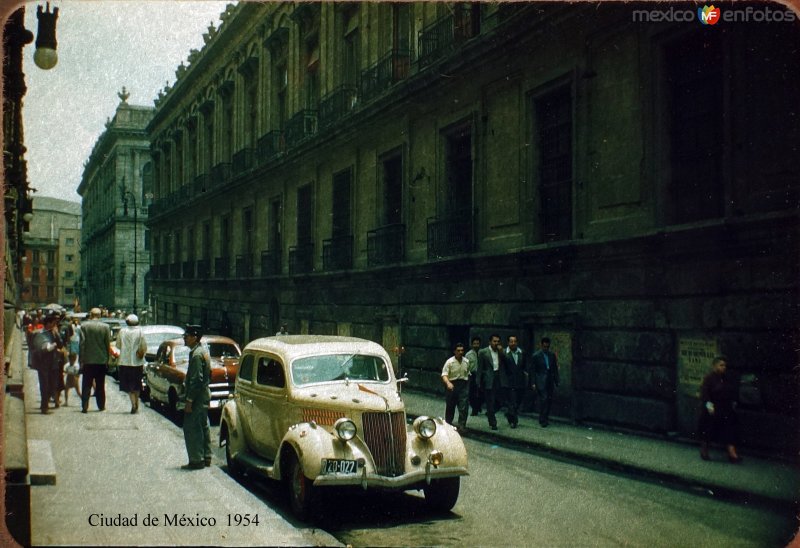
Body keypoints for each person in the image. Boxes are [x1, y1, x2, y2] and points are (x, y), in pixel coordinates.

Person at [698, 356, 741, 463]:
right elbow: (705, 393)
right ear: (715, 366)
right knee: (708, 430)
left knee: (729, 430)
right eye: (721, 365)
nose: (724, 367)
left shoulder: (726, 378)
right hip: (713, 409)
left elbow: (731, 391)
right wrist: (709, 406)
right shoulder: (709, 378)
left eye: (725, 365)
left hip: (725, 408)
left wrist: (733, 402)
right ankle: (704, 450)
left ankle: (732, 453)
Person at [182, 324, 212, 470]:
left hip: (197, 397)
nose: (184, 339)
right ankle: (206, 456)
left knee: (192, 427)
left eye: (186, 336)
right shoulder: (202, 351)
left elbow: (196, 380)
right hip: (203, 395)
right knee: (203, 425)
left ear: (194, 337)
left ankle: (196, 459)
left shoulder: (196, 355)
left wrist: (189, 400)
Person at [30, 310, 65, 414]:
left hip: (53, 363)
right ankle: (44, 406)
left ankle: (46, 402)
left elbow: (60, 345)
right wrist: (53, 345)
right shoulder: (40, 334)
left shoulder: (53, 333)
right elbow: (44, 348)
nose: (55, 325)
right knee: (44, 385)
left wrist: (57, 334)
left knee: (53, 384)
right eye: (53, 323)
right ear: (48, 323)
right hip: (43, 364)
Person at [79, 307, 112, 413]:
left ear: (90, 314)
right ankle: (101, 405)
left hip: (88, 360)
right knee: (100, 385)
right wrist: (108, 359)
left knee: (86, 384)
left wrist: (81, 360)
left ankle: (85, 405)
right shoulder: (105, 327)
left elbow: (82, 344)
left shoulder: (84, 326)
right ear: (100, 315)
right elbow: (107, 344)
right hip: (101, 360)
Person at [117, 314, 148, 414]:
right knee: (137, 384)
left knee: (128, 385)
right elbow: (144, 346)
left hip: (125, 362)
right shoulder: (140, 331)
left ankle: (133, 404)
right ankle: (136, 402)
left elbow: (118, 345)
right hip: (137, 362)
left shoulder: (122, 331)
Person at [476, 334, 506, 430]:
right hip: (489, 379)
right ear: (490, 342)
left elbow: (505, 361)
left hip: (499, 378)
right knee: (490, 401)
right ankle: (493, 422)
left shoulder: (501, 351)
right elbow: (479, 368)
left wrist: (501, 352)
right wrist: (478, 381)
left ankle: (490, 413)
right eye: (494, 341)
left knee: (501, 400)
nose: (496, 343)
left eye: (498, 341)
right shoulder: (483, 352)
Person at [441, 342, 472, 431]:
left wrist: (467, 386)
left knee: (463, 407)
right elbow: (444, 374)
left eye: (462, 350)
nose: (460, 352)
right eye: (458, 350)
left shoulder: (466, 361)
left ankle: (462, 426)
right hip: (452, 385)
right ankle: (448, 425)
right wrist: (448, 383)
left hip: (463, 385)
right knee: (450, 406)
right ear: (454, 351)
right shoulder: (449, 362)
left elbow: (468, 374)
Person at [530, 337, 559, 427]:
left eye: (547, 347)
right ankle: (542, 419)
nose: (546, 348)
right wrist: (533, 383)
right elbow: (532, 370)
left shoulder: (552, 355)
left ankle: (545, 417)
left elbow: (554, 369)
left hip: (549, 380)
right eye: (544, 346)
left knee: (549, 400)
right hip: (540, 381)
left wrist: (557, 380)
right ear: (541, 345)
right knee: (544, 399)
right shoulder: (536, 356)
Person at [502, 335, 528, 428]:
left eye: (515, 341)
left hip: (520, 381)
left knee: (518, 401)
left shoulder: (521, 353)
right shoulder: (504, 353)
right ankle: (513, 421)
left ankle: (510, 414)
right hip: (509, 381)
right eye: (511, 341)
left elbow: (524, 366)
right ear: (508, 343)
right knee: (512, 401)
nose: (513, 343)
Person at [465, 336, 483, 416]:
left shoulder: (482, 353)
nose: (476, 345)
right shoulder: (468, 354)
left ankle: (478, 406)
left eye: (478, 343)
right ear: (472, 345)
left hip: (481, 375)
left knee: (481, 393)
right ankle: (474, 409)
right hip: (472, 375)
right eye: (474, 344)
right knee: (472, 393)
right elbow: (466, 366)